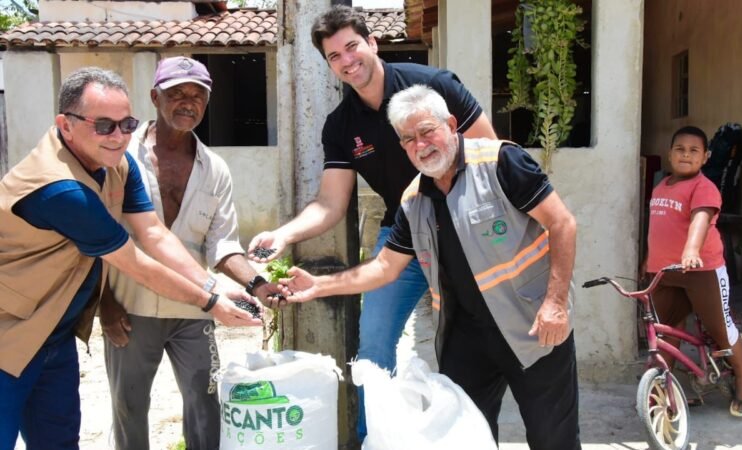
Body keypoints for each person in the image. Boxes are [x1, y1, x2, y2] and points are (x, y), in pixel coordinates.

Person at [247, 5, 498, 441]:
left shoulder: (434, 86)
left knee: (469, 350)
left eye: (352, 46)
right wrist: (282, 234)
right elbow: (330, 202)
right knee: (374, 347)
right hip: (401, 240)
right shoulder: (341, 126)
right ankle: (373, 438)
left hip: (465, 234)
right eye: (334, 57)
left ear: (372, 42)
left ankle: (469, 436)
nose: (347, 61)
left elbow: (490, 155)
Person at [280, 85, 581, 449]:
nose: (420, 145)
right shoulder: (413, 200)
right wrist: (319, 285)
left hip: (532, 328)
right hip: (466, 339)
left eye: (427, 131)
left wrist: (555, 303)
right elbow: (385, 268)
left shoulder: (501, 163)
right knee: (465, 439)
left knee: (554, 440)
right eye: (408, 139)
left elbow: (562, 223)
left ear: (451, 124)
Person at [0, 67, 261, 450]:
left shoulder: (118, 164)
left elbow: (154, 233)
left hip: (53, 334)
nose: (119, 136)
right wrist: (211, 302)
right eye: (104, 125)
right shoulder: (61, 190)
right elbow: (133, 262)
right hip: (10, 333)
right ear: (66, 125)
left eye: (126, 124)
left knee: (57, 441)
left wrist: (214, 287)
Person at [97, 57, 286, 450]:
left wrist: (258, 283)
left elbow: (222, 244)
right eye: (177, 93)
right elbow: (96, 235)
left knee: (206, 406)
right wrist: (104, 304)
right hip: (131, 308)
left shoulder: (214, 169)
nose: (188, 102)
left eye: (198, 95)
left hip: (195, 309)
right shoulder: (119, 156)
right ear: (155, 97)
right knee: (129, 407)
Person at [645, 125, 742, 417]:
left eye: (694, 151)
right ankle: (664, 390)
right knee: (667, 330)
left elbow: (700, 220)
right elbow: (657, 229)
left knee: (720, 328)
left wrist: (691, 251)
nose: (685, 155)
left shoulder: (703, 187)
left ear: (705, 156)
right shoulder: (660, 186)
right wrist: (648, 261)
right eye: (679, 149)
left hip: (701, 270)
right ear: (670, 153)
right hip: (664, 272)